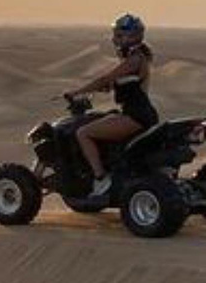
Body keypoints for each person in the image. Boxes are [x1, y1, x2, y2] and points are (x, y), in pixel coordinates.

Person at [64, 13, 159, 197]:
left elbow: (105, 78)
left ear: (129, 36)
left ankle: (100, 179)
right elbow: (115, 84)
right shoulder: (135, 58)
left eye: (118, 35)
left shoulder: (134, 60)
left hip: (134, 116)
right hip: (140, 114)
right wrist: (104, 88)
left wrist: (77, 92)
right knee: (103, 120)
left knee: (83, 133)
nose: (114, 39)